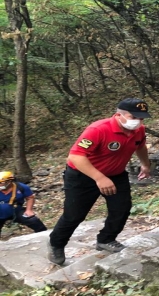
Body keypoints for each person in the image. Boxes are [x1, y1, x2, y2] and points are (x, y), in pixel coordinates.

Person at [48, 98, 151, 265]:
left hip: (116, 175)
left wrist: (145, 164)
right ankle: (56, 244)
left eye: (141, 118)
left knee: (122, 209)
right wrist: (99, 178)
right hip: (82, 176)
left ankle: (106, 239)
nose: (138, 121)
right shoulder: (98, 129)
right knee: (74, 215)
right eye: (134, 117)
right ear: (119, 115)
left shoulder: (138, 131)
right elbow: (75, 156)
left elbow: (140, 146)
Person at [0, 171, 47, 236]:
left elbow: (30, 197)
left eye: (1, 183)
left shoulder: (21, 187)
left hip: (16, 210)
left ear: (9, 181)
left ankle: (44, 236)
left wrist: (29, 210)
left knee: (33, 220)